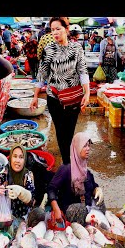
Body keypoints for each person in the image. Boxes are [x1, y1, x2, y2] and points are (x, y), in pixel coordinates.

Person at [30, 17, 91, 165]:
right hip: (54, 98)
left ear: (66, 29)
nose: (55, 33)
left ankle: (68, 161)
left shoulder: (76, 48)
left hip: (73, 98)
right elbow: (42, 74)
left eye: (58, 29)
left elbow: (82, 71)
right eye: (52, 30)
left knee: (69, 132)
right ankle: (67, 164)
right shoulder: (48, 49)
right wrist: (35, 95)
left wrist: (87, 92)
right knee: (60, 131)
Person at [47, 132, 104, 226]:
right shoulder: (66, 169)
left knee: (100, 202)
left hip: (87, 209)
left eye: (89, 146)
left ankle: (94, 224)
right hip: (71, 211)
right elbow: (51, 189)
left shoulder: (86, 171)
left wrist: (97, 189)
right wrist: (56, 209)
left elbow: (92, 187)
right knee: (78, 209)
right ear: (77, 148)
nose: (88, 149)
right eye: (84, 146)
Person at [0, 144, 36, 221]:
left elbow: (32, 202)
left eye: (21, 157)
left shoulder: (28, 175)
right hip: (4, 216)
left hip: (22, 217)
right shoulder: (4, 173)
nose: (17, 160)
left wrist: (22, 193)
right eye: (15, 156)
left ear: (24, 160)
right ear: (10, 158)